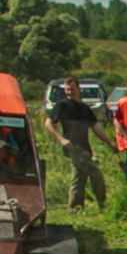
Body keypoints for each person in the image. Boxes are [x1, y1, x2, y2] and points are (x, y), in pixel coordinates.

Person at [47, 77, 106, 210]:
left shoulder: (84, 108)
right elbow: (48, 123)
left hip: (85, 147)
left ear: (79, 90)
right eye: (67, 90)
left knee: (79, 178)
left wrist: (110, 143)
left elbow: (96, 129)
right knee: (96, 173)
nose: (69, 92)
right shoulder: (61, 105)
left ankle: (75, 208)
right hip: (74, 148)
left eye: (72, 89)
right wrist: (61, 139)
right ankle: (102, 203)